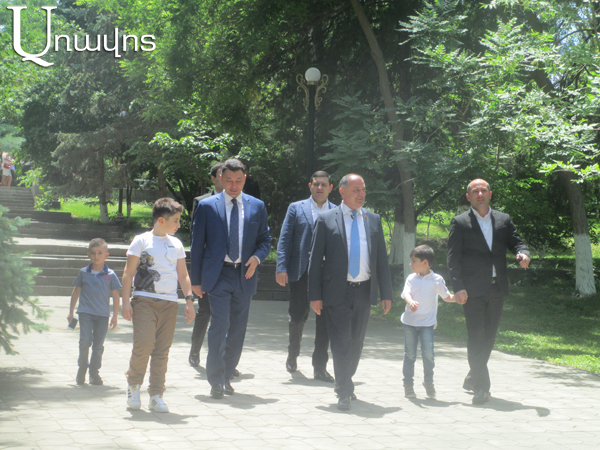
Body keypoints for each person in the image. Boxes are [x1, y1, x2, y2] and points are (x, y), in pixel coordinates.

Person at [308, 174, 393, 410]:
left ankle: (346, 379)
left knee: (356, 342)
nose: (361, 194)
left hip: (364, 290)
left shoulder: (373, 220)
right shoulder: (327, 219)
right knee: (341, 342)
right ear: (342, 192)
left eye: (363, 189)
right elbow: (315, 261)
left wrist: (386, 293)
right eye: (356, 190)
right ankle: (343, 390)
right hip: (337, 292)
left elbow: (381, 260)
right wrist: (314, 295)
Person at [190, 158, 271, 399]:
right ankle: (215, 380)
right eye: (228, 181)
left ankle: (227, 376)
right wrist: (196, 280)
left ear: (244, 179)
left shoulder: (257, 206)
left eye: (238, 181)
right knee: (219, 325)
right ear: (220, 179)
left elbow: (265, 241)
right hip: (218, 275)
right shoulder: (207, 206)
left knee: (237, 329)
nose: (233, 186)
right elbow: (197, 246)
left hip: (245, 274)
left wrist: (257, 258)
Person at [447, 178, 530, 405]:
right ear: (468, 197)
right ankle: (481, 388)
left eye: (483, 190)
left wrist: (523, 254)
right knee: (476, 335)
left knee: (489, 336)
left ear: (490, 194)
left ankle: (473, 375)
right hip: (471, 290)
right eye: (475, 191)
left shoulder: (503, 219)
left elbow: (517, 242)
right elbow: (453, 259)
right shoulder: (460, 222)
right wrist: (458, 288)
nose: (480, 194)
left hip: (497, 287)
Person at [121, 198, 196, 413]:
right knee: (144, 344)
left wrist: (189, 301)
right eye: (175, 220)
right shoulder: (141, 241)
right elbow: (128, 273)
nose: (178, 224)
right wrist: (125, 303)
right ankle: (133, 386)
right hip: (144, 300)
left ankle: (156, 395)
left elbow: (183, 275)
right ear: (161, 220)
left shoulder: (177, 244)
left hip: (169, 303)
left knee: (162, 350)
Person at [276, 170, 335, 381]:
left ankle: (319, 367)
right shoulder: (296, 208)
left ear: (330, 188)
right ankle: (292, 354)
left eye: (324, 184)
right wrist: (281, 267)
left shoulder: (337, 211)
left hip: (327, 275)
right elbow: (285, 239)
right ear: (310, 186)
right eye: (316, 184)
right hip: (301, 270)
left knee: (325, 320)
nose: (320, 187)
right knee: (297, 315)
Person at [401, 245, 465, 399]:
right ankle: (408, 385)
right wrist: (410, 302)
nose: (411, 264)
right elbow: (406, 293)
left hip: (427, 325)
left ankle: (428, 383)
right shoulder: (411, 278)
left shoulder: (437, 280)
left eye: (414, 261)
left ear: (425, 262)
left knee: (428, 355)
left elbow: (446, 297)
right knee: (409, 355)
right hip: (410, 324)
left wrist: (456, 299)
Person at [67, 238, 121, 386]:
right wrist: (71, 312)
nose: (96, 256)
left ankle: (94, 372)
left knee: (98, 345)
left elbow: (116, 296)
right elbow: (76, 291)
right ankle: (82, 369)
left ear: (106, 255)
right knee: (85, 341)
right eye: (93, 253)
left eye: (100, 253)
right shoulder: (84, 272)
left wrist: (115, 316)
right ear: (88, 255)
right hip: (85, 313)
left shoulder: (111, 274)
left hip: (103, 315)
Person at [188, 162, 224, 367]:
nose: (225, 179)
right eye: (221, 175)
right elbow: (196, 240)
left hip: (230, 269)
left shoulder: (242, 203)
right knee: (206, 311)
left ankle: (225, 358)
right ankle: (195, 350)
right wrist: (197, 275)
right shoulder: (202, 202)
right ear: (213, 178)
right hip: (208, 269)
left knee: (227, 315)